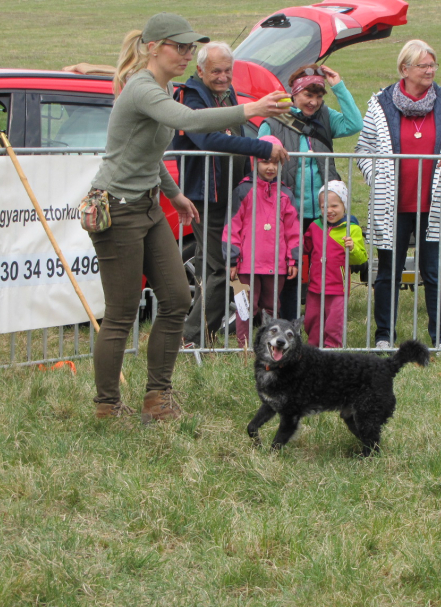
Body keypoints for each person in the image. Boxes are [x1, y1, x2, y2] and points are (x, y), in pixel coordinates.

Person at [87, 13, 290, 422]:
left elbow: (148, 153)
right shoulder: (143, 88)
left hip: (146, 205)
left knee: (178, 298)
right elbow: (190, 121)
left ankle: (156, 399)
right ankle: (107, 406)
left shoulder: (160, 87)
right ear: (152, 48)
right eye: (179, 47)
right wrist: (251, 107)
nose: (186, 54)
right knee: (122, 313)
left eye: (189, 47)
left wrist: (174, 194)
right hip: (119, 209)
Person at [355, 39, 441, 354]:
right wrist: (375, 176)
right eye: (424, 66)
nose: (430, 71)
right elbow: (363, 149)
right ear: (405, 69)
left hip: (436, 205)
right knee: (388, 272)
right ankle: (384, 336)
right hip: (393, 206)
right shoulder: (380, 103)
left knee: (435, 273)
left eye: (433, 65)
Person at [172, 42, 289, 348]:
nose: (224, 77)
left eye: (228, 71)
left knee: (212, 267)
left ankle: (221, 336)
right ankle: (192, 340)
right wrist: (263, 148)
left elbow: (234, 137)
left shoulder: (228, 95)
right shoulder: (190, 98)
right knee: (223, 271)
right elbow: (208, 138)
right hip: (205, 198)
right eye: (216, 71)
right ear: (200, 70)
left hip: (234, 198)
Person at [258, 63, 363, 319]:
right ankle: (286, 324)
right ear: (294, 93)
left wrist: (338, 85)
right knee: (289, 269)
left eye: (319, 96)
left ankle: (321, 323)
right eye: (308, 95)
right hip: (288, 212)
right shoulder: (273, 121)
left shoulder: (327, 117)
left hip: (323, 214)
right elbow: (259, 162)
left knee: (320, 268)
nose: (314, 102)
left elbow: (354, 123)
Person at [222, 140, 299, 347]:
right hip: (247, 263)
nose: (271, 167)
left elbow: (294, 230)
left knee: (272, 306)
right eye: (266, 162)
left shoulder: (286, 194)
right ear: (254, 161)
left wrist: (294, 259)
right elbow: (232, 227)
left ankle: (269, 345)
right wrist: (231, 258)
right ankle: (244, 347)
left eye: (276, 162)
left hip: (276, 265)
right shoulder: (243, 191)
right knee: (245, 306)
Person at [302, 180, 367, 348]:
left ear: (344, 205)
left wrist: (352, 248)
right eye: (324, 207)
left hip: (338, 288)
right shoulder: (315, 227)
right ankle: (313, 349)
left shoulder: (352, 229)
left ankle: (332, 350)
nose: (329, 211)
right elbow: (304, 247)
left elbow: (361, 258)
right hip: (315, 286)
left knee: (334, 323)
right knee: (311, 320)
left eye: (334, 206)